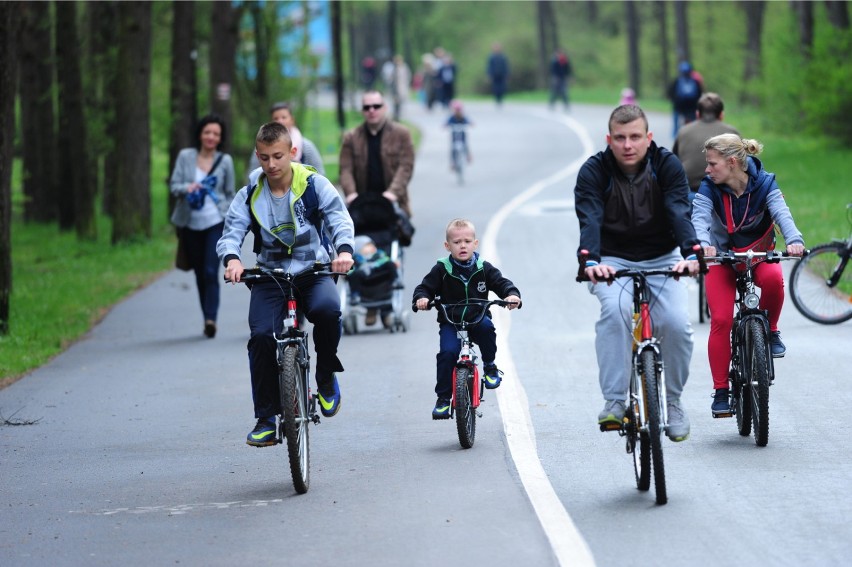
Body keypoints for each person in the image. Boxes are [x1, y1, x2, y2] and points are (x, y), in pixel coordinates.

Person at [217, 121, 355, 446]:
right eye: (264, 158)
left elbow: (338, 218)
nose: (272, 165)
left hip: (314, 268)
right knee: (262, 336)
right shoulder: (251, 191)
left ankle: (325, 376)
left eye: (278, 156)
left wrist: (345, 251)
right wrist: (232, 260)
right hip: (269, 275)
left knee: (327, 310)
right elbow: (232, 229)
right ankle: (266, 418)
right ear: (257, 156)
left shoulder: (313, 184)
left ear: (292, 152)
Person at [574, 104, 700, 442]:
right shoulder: (594, 171)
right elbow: (590, 217)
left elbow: (678, 209)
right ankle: (615, 402)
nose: (627, 145)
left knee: (674, 324)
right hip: (611, 261)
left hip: (663, 256)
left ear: (648, 138)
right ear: (609, 139)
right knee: (614, 315)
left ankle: (673, 403)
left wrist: (691, 253)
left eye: (635, 137)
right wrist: (589, 261)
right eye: (620, 138)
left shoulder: (666, 165)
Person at [691, 134, 805, 416]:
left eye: (712, 163)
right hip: (721, 257)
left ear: (732, 163)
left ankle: (773, 330)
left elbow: (781, 213)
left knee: (772, 281)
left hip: (757, 252)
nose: (707, 169)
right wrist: (703, 245)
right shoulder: (709, 187)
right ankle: (721, 390)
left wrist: (795, 239)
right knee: (720, 319)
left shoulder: (765, 183)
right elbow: (700, 219)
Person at [412, 219, 521, 419]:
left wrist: (511, 295)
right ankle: (444, 399)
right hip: (451, 321)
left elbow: (502, 283)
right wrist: (422, 298)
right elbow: (424, 288)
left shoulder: (483, 268)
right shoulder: (442, 269)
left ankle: (489, 366)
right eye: (456, 242)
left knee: (487, 329)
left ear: (475, 243)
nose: (462, 245)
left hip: (477, 317)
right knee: (447, 353)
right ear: (447, 246)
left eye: (467, 241)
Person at [169, 114, 236, 339]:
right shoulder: (186, 157)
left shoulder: (225, 161)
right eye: (207, 132)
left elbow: (229, 193)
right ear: (200, 134)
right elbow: (174, 185)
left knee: (210, 271)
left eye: (216, 134)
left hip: (215, 222)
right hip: (189, 223)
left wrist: (226, 212)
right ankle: (206, 316)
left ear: (220, 138)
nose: (211, 137)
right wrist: (188, 187)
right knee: (199, 272)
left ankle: (211, 319)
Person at [339, 90, 415, 221]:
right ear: (362, 111)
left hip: (393, 204)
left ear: (384, 108)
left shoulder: (402, 134)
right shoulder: (351, 138)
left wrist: (392, 193)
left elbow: (406, 167)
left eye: (376, 106)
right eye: (367, 107)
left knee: (398, 238)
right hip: (361, 205)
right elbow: (345, 169)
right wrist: (351, 194)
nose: (372, 110)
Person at [672, 93, 740, 195]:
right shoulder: (732, 133)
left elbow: (674, 161)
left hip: (689, 192)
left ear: (697, 114)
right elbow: (743, 165)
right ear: (721, 115)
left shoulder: (683, 131)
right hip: (722, 193)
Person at [247, 102, 325, 181]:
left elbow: (320, 174)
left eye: (284, 117)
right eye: (276, 118)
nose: (280, 121)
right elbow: (251, 178)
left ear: (292, 120)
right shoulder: (262, 149)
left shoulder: (306, 147)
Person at [669, 61, 703, 137]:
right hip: (692, 107)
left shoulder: (677, 81)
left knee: (676, 122)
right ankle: (695, 135)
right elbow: (700, 93)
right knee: (694, 123)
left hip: (678, 106)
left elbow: (670, 93)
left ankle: (675, 136)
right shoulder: (695, 81)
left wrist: (674, 101)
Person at [446, 99, 472, 171]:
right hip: (454, 136)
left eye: (459, 110)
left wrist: (470, 124)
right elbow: (446, 122)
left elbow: (468, 121)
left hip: (462, 135)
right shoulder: (452, 117)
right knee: (452, 149)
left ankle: (468, 156)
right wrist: (445, 125)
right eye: (456, 110)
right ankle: (453, 162)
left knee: (465, 145)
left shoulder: (463, 117)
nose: (457, 111)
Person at [389, 54, 411, 122]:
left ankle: (398, 114)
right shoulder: (394, 69)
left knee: (400, 101)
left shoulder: (404, 68)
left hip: (402, 86)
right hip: (396, 88)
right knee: (396, 101)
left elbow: (407, 77)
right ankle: (396, 114)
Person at [486, 42, 510, 106]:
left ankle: (501, 98)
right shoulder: (491, 57)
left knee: (502, 87)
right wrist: (489, 74)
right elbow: (489, 67)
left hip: (502, 75)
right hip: (494, 75)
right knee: (495, 87)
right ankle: (497, 99)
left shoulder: (503, 57)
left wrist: (507, 74)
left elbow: (506, 66)